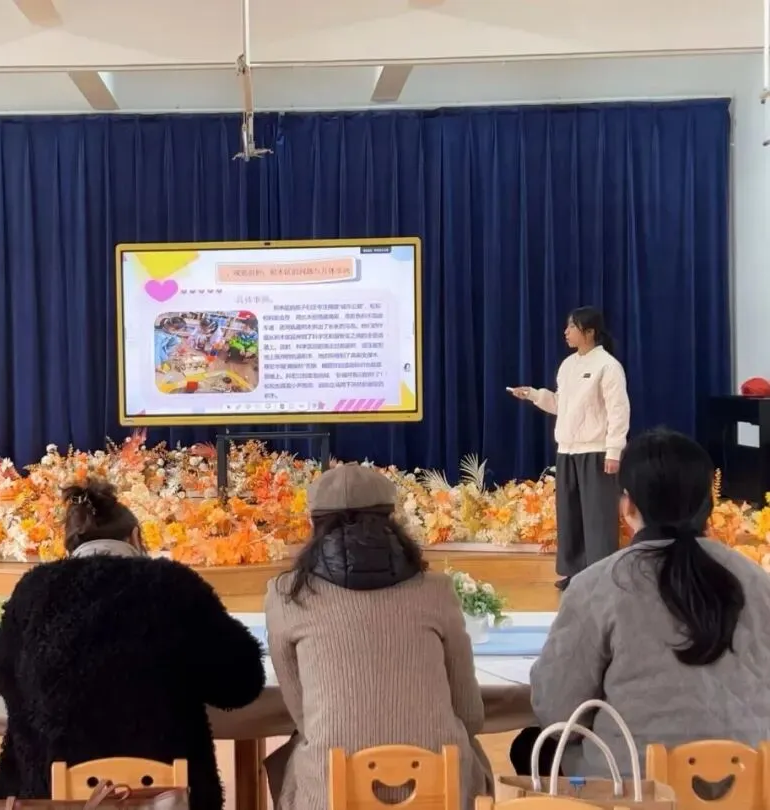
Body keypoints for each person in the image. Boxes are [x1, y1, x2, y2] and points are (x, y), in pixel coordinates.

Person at [0, 479, 266, 808]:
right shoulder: (174, 585)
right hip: (172, 801)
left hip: (49, 796)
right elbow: (241, 682)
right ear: (135, 537)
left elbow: (1, 675)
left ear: (70, 546)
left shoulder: (34, 590)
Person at [516, 428, 770, 778]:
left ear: (628, 505)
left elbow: (557, 710)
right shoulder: (757, 581)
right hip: (748, 777)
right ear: (709, 505)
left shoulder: (598, 584)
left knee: (530, 747)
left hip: (635, 785)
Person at [264, 464, 490, 810]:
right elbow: (470, 714)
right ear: (392, 520)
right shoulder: (437, 589)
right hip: (440, 790)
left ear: (314, 524)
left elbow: (303, 716)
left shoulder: (285, 594)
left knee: (294, 760)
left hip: (330, 793)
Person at [510, 306, 630, 588]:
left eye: (572, 327)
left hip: (597, 451)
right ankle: (575, 572)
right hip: (567, 450)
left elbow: (618, 410)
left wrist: (614, 450)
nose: (566, 332)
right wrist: (533, 395)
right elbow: (560, 404)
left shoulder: (608, 366)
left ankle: (601, 576)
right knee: (570, 514)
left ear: (589, 332)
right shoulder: (567, 365)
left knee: (598, 515)